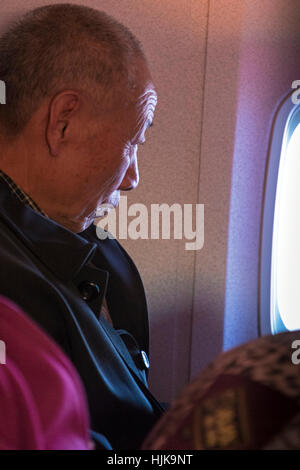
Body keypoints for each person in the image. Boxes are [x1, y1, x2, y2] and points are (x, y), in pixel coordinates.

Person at [0, 3, 163, 449]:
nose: (133, 179)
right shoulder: (11, 288)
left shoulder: (101, 250)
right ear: (63, 122)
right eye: (134, 141)